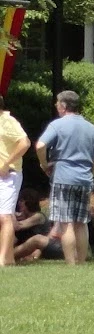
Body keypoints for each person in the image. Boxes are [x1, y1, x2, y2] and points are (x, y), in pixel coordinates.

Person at [35, 89, 94, 266]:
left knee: (66, 223)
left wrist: (44, 164)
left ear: (63, 106)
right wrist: (90, 173)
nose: (56, 106)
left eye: (57, 103)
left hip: (63, 177)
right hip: (84, 180)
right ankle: (81, 262)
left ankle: (71, 263)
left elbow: (40, 145)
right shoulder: (91, 127)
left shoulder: (57, 125)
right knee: (81, 222)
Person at [0, 93, 30, 266]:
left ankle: (2, 261)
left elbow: (24, 143)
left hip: (8, 175)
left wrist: (7, 163)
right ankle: (9, 258)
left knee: (4, 217)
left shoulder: (8, 121)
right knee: (5, 216)